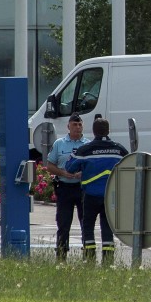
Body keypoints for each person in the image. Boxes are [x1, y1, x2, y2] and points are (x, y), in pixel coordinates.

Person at [65, 118, 128, 266]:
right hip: (110, 197)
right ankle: (108, 261)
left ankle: (90, 259)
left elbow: (69, 167)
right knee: (107, 228)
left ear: (93, 131)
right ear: (108, 131)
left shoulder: (86, 149)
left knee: (88, 227)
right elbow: (129, 166)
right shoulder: (119, 149)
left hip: (91, 195)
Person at [46, 112, 89, 262]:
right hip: (64, 187)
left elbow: (92, 166)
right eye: (74, 125)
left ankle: (88, 256)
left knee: (86, 223)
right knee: (63, 223)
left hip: (82, 188)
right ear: (68, 126)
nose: (77, 127)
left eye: (80, 124)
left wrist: (82, 173)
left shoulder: (87, 145)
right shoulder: (60, 144)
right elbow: (50, 165)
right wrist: (62, 172)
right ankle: (61, 256)